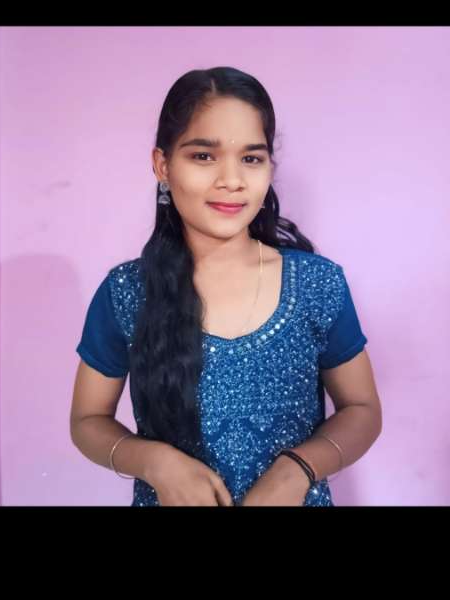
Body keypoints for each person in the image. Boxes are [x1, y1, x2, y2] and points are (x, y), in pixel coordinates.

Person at [70, 66, 382, 507]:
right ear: (162, 165)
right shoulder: (127, 293)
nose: (232, 180)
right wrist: (155, 462)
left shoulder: (317, 284)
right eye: (204, 156)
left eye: (251, 158)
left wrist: (299, 469)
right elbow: (87, 420)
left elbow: (362, 410)